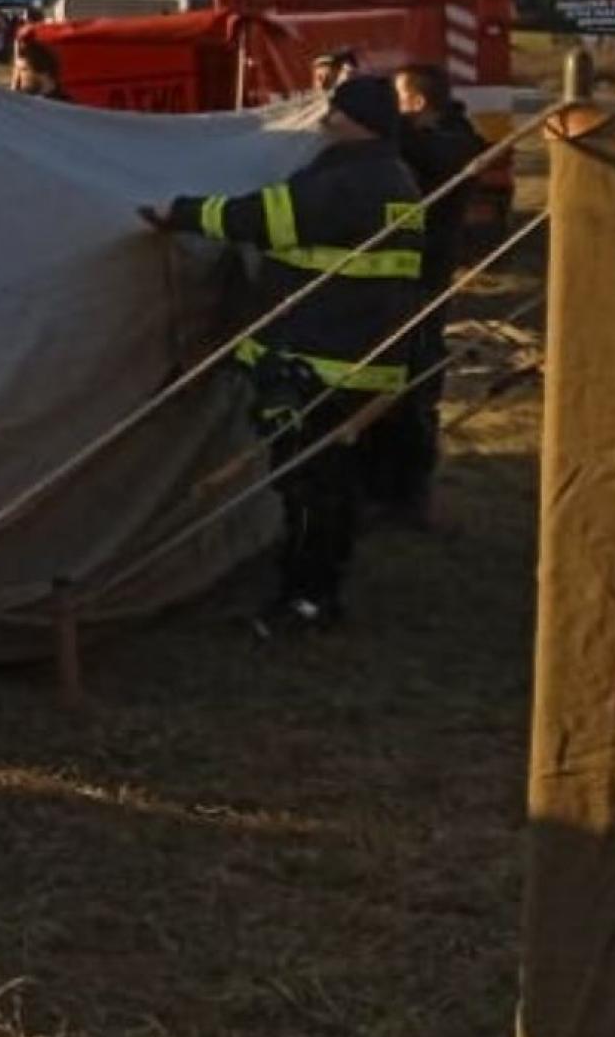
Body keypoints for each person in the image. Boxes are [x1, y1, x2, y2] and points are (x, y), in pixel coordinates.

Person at [142, 74, 424, 633]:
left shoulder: (348, 182)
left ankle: (307, 600)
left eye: (336, 112)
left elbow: (259, 217)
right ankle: (316, 588)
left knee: (311, 486)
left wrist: (180, 211)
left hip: (321, 363)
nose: (324, 121)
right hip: (362, 359)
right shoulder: (394, 177)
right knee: (329, 481)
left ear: (360, 119)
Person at [379, 62, 487, 526]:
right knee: (390, 384)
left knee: (417, 385)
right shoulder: (434, 138)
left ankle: (409, 497)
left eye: (398, 100)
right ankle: (386, 488)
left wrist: (383, 121)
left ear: (418, 103)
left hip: (424, 281)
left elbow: (427, 154)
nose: (394, 109)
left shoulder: (452, 144)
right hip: (403, 279)